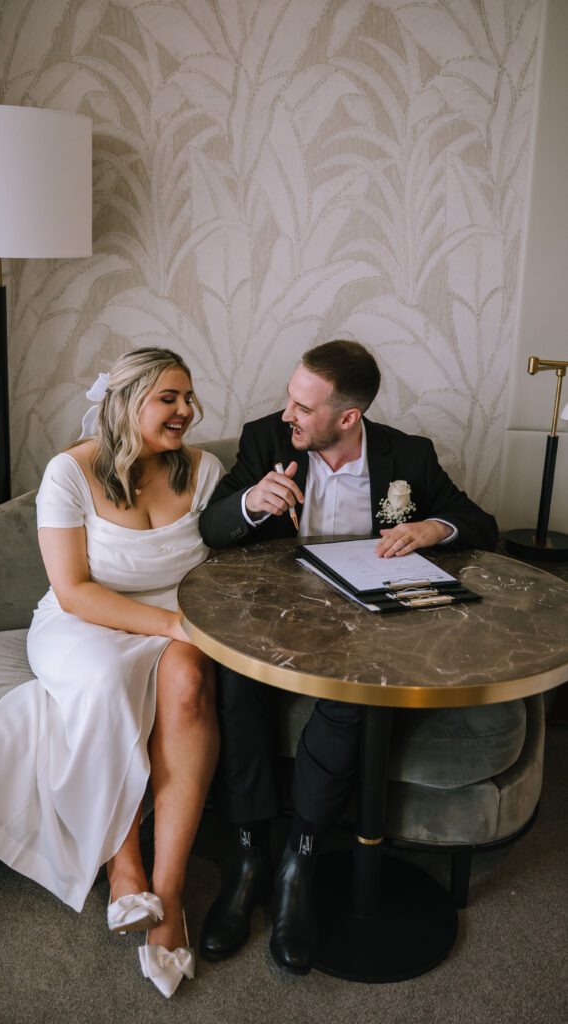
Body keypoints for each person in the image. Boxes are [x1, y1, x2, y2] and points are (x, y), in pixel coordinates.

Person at [198, 339, 498, 975]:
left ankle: (300, 859)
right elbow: (211, 527)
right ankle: (250, 852)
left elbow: (478, 521)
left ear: (348, 418)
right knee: (233, 681)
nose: (288, 415)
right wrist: (253, 503)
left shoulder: (407, 457)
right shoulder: (264, 441)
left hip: (363, 632)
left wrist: (431, 529)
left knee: (352, 697)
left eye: (303, 407)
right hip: (271, 622)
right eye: (289, 398)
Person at [0, 348, 224, 999]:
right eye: (169, 398)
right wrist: (167, 628)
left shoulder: (204, 469)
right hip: (86, 621)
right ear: (126, 403)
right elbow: (72, 589)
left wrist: (184, 626)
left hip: (178, 617)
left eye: (188, 397)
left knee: (187, 686)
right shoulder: (67, 473)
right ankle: (121, 859)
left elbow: (222, 566)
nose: (186, 411)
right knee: (104, 680)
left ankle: (170, 891)